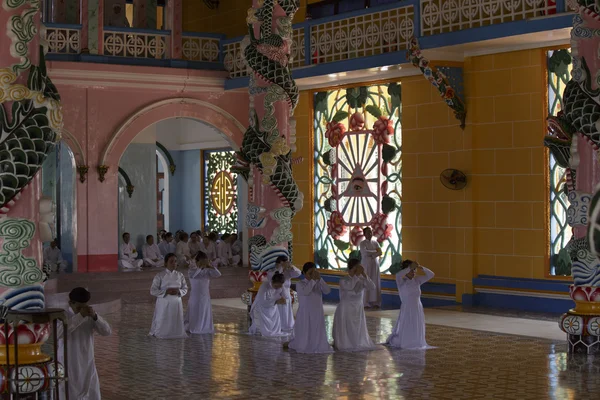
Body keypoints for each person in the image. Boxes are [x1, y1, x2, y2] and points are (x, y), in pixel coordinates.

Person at [57, 287, 111, 400]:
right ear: (70, 303)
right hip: (68, 361)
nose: (82, 309)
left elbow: (106, 331)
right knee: (68, 390)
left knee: (90, 390)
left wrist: (96, 317)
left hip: (87, 360)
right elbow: (58, 333)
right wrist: (80, 316)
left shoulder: (89, 314)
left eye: (84, 306)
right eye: (79, 306)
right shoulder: (62, 315)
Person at [332, 258, 379, 352]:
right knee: (347, 327)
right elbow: (350, 286)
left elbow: (372, 287)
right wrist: (357, 275)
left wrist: (365, 275)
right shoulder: (344, 280)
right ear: (351, 268)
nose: (358, 269)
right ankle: (346, 343)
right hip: (346, 307)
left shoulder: (361, 279)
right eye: (356, 268)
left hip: (358, 308)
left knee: (357, 327)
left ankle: (356, 342)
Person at [387, 260, 435, 350]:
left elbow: (431, 274)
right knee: (407, 326)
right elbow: (398, 274)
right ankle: (406, 341)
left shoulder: (417, 280)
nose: (413, 272)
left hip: (417, 308)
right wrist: (409, 267)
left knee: (416, 325)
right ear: (406, 270)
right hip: (407, 308)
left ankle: (415, 341)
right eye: (411, 270)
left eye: (414, 270)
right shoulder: (401, 281)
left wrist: (420, 267)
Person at [286, 262, 333, 353]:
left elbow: (327, 291)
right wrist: (313, 280)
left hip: (317, 311)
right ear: (304, 273)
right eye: (310, 273)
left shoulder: (318, 282)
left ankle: (316, 344)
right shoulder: (300, 284)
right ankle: (303, 344)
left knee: (316, 328)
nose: (312, 275)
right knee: (306, 329)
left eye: (314, 272)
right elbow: (306, 292)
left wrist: (320, 279)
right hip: (305, 311)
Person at [149, 253, 188, 339]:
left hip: (176, 301)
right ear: (165, 263)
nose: (174, 263)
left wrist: (179, 291)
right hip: (164, 301)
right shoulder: (160, 275)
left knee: (175, 318)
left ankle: (176, 332)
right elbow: (153, 290)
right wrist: (165, 292)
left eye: (175, 261)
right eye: (171, 262)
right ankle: (161, 332)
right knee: (163, 318)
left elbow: (185, 288)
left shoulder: (180, 275)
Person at [185, 251, 221, 334]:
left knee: (204, 309)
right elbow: (193, 276)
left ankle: (204, 326)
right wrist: (201, 268)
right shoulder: (192, 270)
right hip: (195, 295)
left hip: (205, 295)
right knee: (195, 309)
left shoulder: (207, 270)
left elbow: (218, 274)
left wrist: (210, 266)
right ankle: (195, 326)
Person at [267, 256, 301, 332]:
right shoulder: (272, 271)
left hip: (286, 294)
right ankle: (277, 326)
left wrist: (291, 266)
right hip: (276, 294)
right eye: (284, 263)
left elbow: (298, 273)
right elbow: (272, 277)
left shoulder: (288, 272)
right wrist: (281, 268)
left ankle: (286, 326)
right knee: (277, 311)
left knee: (286, 312)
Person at [249, 272, 288, 337]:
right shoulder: (264, 286)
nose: (276, 288)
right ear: (272, 281)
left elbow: (286, 296)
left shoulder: (279, 287)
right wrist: (276, 302)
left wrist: (283, 287)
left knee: (276, 314)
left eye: (279, 286)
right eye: (276, 286)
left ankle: (272, 329)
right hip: (261, 307)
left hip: (272, 308)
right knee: (262, 330)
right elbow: (262, 302)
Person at [360, 227, 382, 309]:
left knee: (375, 281)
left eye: (371, 232)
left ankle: (376, 302)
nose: (370, 234)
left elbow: (380, 252)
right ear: (364, 234)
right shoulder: (362, 243)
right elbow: (364, 252)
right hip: (366, 264)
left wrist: (373, 254)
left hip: (375, 264)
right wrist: (375, 252)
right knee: (367, 281)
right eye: (368, 232)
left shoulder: (375, 243)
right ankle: (365, 302)